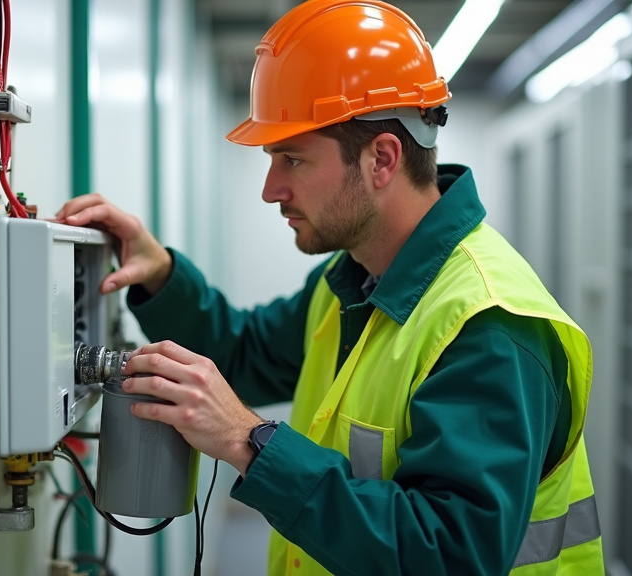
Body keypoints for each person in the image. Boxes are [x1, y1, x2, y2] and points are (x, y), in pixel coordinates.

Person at [55, 1, 604, 574]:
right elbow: (241, 353)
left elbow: (447, 552)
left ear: (382, 160)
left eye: (292, 159)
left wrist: (250, 441)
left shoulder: (487, 324)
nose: (271, 190)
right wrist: (162, 273)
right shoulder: (353, 280)